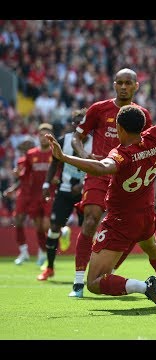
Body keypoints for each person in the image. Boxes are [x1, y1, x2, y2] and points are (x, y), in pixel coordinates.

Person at [45, 49, 156, 309]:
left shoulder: (121, 155)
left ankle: (144, 286)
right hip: (147, 215)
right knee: (152, 247)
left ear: (121, 129)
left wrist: (65, 158)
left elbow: (103, 167)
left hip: (121, 222)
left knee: (96, 282)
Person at [69, 67, 156, 297]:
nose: (124, 87)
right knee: (90, 220)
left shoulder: (142, 115)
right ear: (114, 84)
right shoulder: (98, 109)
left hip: (127, 175)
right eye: (120, 83)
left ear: (136, 86)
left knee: (136, 233)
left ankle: (111, 275)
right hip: (100, 172)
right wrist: (85, 156)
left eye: (128, 83)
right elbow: (77, 137)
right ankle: (78, 281)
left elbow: (150, 146)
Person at [36, 108, 92, 281]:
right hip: (65, 190)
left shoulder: (97, 143)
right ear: (72, 124)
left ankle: (91, 270)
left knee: (89, 231)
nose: (79, 125)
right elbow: (54, 163)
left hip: (87, 192)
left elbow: (103, 168)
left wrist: (83, 183)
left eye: (83, 122)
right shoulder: (63, 140)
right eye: (76, 122)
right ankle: (50, 268)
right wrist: (47, 183)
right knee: (53, 228)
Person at [8, 124, 55, 266]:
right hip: (33, 195)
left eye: (46, 135)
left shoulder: (55, 153)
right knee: (37, 225)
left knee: (46, 225)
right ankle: (35, 251)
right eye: (40, 135)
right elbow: (25, 175)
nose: (43, 138)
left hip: (49, 193)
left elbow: (61, 170)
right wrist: (16, 179)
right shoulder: (30, 155)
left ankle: (49, 247)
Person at [3, 137, 36, 264]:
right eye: (24, 145)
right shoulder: (21, 161)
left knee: (40, 222)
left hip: (36, 194)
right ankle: (23, 251)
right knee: (18, 220)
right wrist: (12, 188)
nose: (25, 147)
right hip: (23, 194)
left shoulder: (39, 157)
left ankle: (42, 252)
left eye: (28, 144)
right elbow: (21, 180)